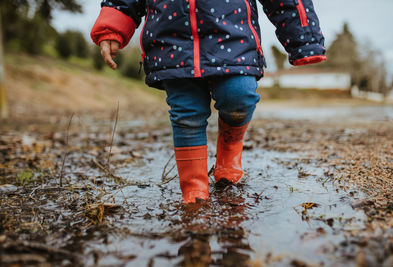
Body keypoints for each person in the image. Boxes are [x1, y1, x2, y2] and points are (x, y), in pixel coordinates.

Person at [91, 0, 326, 203]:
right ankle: (195, 192)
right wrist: (113, 27)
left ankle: (229, 148)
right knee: (186, 114)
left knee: (240, 95)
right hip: (171, 43)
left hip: (233, 39)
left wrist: (304, 39)